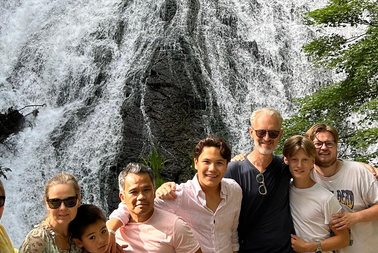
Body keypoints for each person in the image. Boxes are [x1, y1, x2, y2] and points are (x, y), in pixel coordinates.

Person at [109, 137, 241, 253]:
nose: (212, 169)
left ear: (226, 166)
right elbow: (137, 204)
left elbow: (232, 233)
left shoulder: (234, 190)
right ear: (196, 163)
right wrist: (110, 229)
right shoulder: (177, 196)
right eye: (206, 162)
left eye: (219, 163)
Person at [306, 124, 378, 253]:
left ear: (336, 146)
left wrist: (356, 217)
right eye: (318, 144)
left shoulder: (358, 172)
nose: (324, 148)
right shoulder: (305, 176)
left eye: (329, 143)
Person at [223, 107, 293, 253]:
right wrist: (171, 188)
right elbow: (205, 193)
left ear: (280, 135)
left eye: (273, 133)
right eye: (261, 132)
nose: (267, 138)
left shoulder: (287, 166)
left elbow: (316, 166)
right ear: (251, 133)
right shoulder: (234, 170)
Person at [112, 163, 202, 253]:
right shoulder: (114, 230)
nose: (141, 197)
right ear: (122, 197)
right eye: (134, 192)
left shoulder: (175, 227)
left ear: (154, 192)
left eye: (146, 190)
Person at [282, 136, 349, 253]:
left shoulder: (326, 199)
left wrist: (308, 247)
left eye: (305, 160)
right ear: (286, 160)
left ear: (313, 162)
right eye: (294, 159)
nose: (299, 165)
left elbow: (343, 239)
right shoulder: (284, 190)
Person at [20, 173, 82, 253]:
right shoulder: (37, 240)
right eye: (55, 202)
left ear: (79, 200)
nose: (62, 208)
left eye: (69, 201)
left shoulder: (81, 233)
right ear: (47, 203)